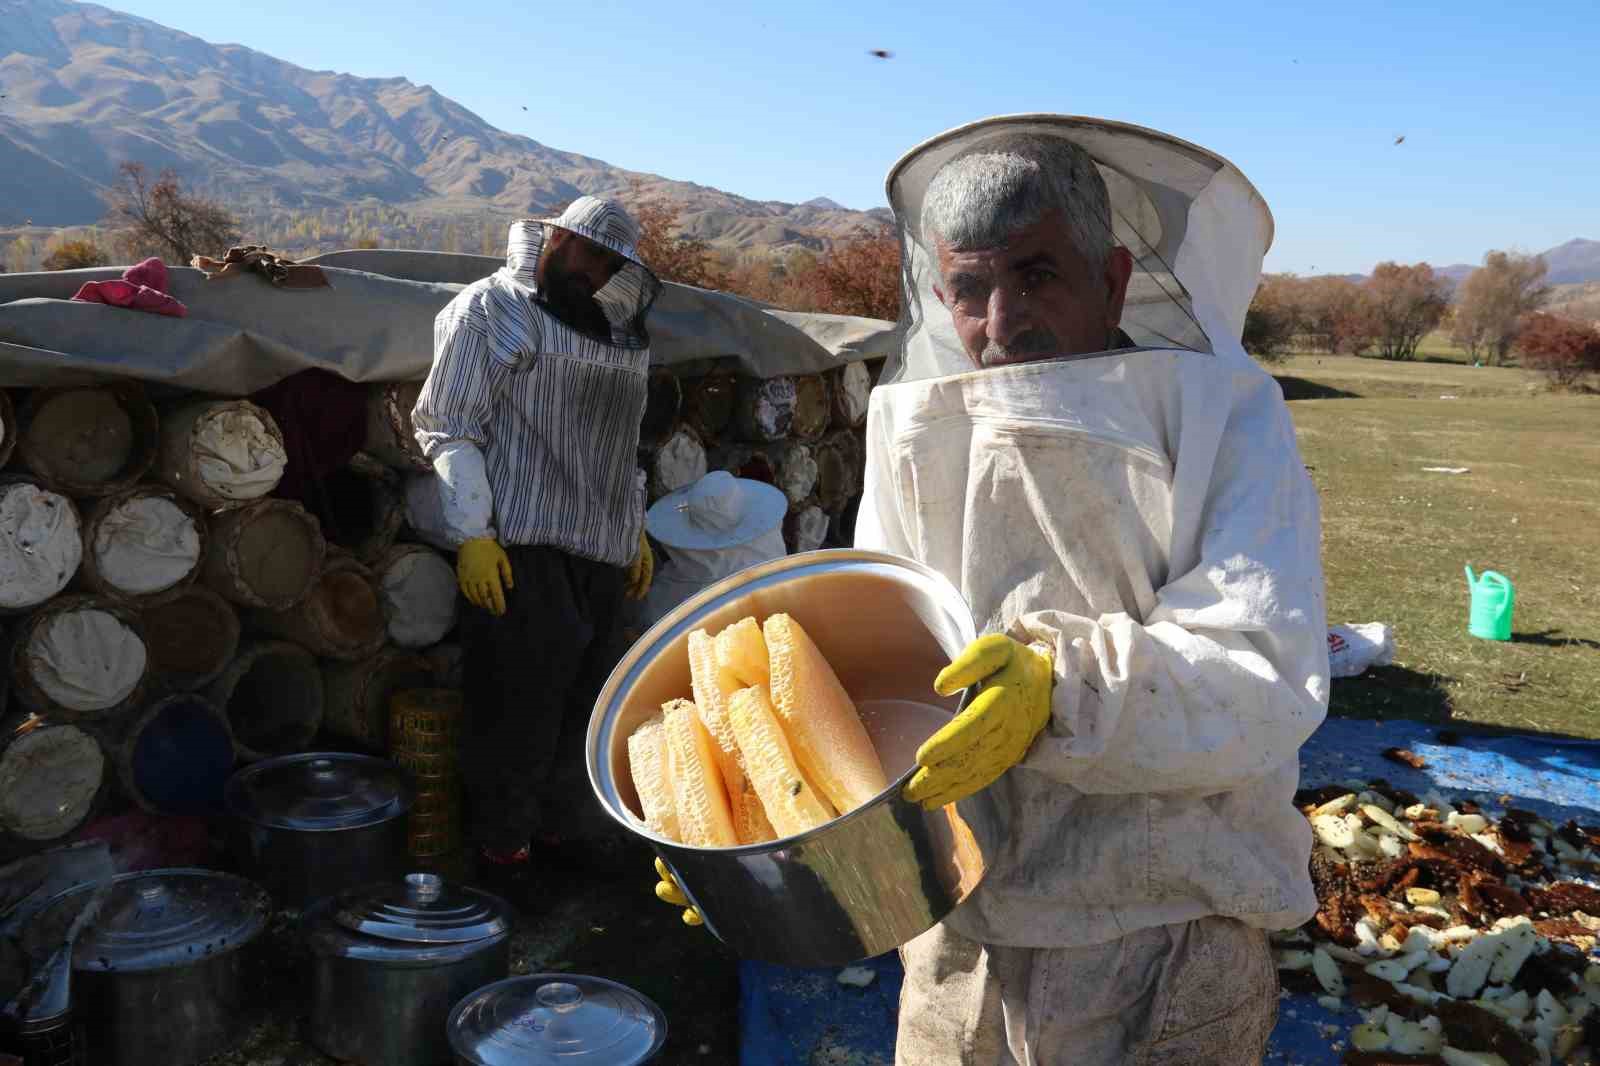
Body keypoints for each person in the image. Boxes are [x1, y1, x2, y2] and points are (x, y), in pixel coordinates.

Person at [657, 117, 1329, 1064]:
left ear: (1113, 279)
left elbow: (1261, 671)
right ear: (940, 294)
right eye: (970, 290)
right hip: (955, 936)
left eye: (1036, 275)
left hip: (1162, 935)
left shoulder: (1226, 418)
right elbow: (879, 669)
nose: (1001, 324)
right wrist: (752, 824)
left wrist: (1060, 689)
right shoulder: (916, 425)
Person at [413, 196, 661, 873]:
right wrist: (473, 534)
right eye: (587, 252)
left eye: (609, 264)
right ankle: (502, 855)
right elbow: (449, 425)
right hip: (520, 548)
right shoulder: (487, 308)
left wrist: (632, 527)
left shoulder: (618, 334)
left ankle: (564, 840)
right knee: (517, 709)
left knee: (590, 704)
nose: (594, 271)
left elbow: (620, 444)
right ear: (554, 238)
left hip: (600, 549)